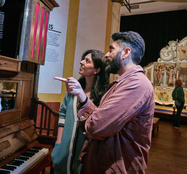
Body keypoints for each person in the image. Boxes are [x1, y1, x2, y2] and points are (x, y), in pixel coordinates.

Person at [61, 31, 155, 174]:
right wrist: (82, 95)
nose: (106, 54)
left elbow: (97, 126)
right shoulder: (122, 82)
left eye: (111, 49)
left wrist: (88, 117)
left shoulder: (136, 84)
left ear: (125, 53)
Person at [51, 49, 108, 174]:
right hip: (64, 150)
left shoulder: (103, 96)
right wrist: (59, 144)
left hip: (86, 153)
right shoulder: (72, 91)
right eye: (83, 59)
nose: (81, 62)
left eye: (87, 61)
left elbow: (99, 122)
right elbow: (63, 114)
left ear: (97, 70)